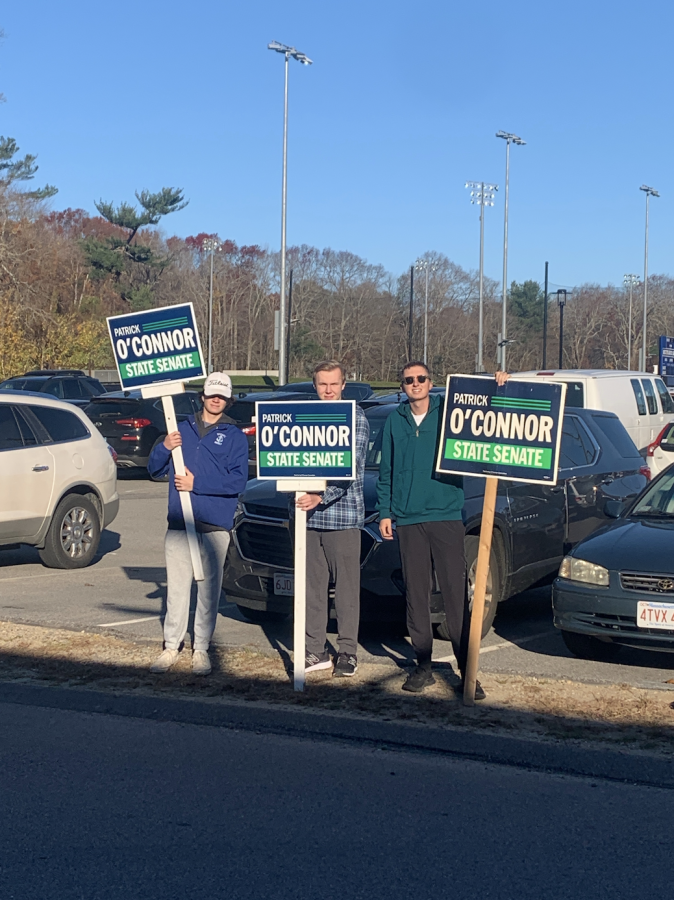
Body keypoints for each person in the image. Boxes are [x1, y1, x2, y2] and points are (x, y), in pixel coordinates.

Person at [376, 361, 508, 698]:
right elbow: (386, 471)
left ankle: (468, 670)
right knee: (416, 595)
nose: (415, 384)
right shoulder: (394, 419)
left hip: (446, 514)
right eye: (408, 380)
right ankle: (423, 665)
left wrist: (499, 386)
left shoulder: (450, 413)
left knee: (455, 595)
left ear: (430, 382)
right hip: (408, 519)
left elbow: (488, 413)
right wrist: (386, 512)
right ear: (402, 386)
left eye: (420, 378)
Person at [147, 372, 249, 675]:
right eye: (211, 394)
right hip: (180, 525)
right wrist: (164, 446)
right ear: (202, 396)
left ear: (228, 400)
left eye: (221, 396)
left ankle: (201, 649)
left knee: (207, 593)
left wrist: (197, 483)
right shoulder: (180, 430)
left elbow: (238, 481)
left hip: (214, 527)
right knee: (177, 591)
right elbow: (154, 469)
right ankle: (170, 647)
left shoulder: (235, 436)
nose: (215, 400)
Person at [296, 361, 370, 677]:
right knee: (312, 590)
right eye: (322, 384)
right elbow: (291, 461)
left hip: (343, 518)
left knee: (346, 593)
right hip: (308, 521)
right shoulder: (303, 418)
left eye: (333, 384)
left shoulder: (356, 420)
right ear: (315, 386)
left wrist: (319, 496)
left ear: (343, 385)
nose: (328, 390)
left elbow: (349, 469)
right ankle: (315, 651)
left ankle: (348, 652)